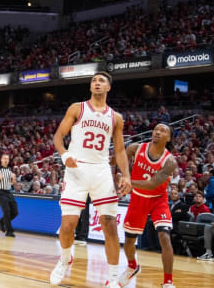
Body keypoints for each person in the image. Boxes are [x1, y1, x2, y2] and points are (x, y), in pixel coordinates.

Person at [50, 72, 132, 287]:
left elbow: (120, 150)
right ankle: (65, 259)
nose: (96, 83)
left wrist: (126, 175)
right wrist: (64, 155)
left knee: (110, 225)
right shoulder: (77, 108)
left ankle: (112, 278)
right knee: (67, 226)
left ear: (108, 88)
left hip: (101, 171)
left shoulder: (116, 117)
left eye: (101, 81)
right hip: (76, 169)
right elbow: (58, 136)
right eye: (94, 80)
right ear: (90, 86)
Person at [117, 124, 176, 288]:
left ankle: (168, 282)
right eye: (156, 129)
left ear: (168, 138)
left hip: (158, 199)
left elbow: (152, 184)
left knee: (164, 236)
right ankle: (132, 266)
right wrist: (118, 169)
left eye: (163, 131)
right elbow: (119, 158)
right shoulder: (135, 148)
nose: (157, 132)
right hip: (138, 198)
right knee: (129, 241)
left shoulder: (170, 161)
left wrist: (128, 181)